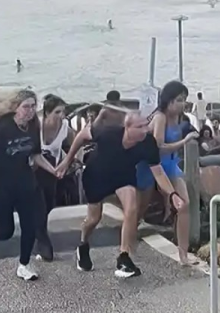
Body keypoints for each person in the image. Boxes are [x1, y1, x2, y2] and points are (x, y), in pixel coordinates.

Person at [58, 112, 185, 278]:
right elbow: (82, 135)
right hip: (97, 176)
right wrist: (67, 161)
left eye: (146, 125)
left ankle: (123, 257)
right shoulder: (108, 134)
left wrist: (173, 194)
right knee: (93, 220)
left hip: (124, 177)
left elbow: (158, 172)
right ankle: (83, 244)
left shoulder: (148, 143)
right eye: (140, 127)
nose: (145, 130)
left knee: (132, 207)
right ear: (128, 127)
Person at [0, 89, 59, 281]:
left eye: (33, 106)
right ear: (15, 108)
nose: (30, 111)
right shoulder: (4, 127)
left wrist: (53, 170)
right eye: (26, 107)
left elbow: (35, 155)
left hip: (25, 182)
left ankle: (24, 265)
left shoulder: (34, 125)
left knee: (31, 225)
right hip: (1, 185)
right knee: (5, 231)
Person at [136, 81, 199, 264]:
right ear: (169, 101)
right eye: (179, 100)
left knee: (184, 204)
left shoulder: (180, 118)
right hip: (153, 166)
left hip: (171, 165)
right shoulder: (160, 117)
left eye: (184, 100)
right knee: (139, 209)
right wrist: (184, 141)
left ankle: (183, 253)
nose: (182, 104)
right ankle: (127, 245)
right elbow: (159, 147)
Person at [36, 94, 76, 261]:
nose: (62, 115)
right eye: (57, 112)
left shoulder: (65, 126)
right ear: (46, 113)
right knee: (39, 206)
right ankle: (42, 241)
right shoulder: (36, 126)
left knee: (49, 205)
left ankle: (40, 234)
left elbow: (75, 144)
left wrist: (70, 162)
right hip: (35, 169)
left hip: (54, 171)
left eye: (63, 111)